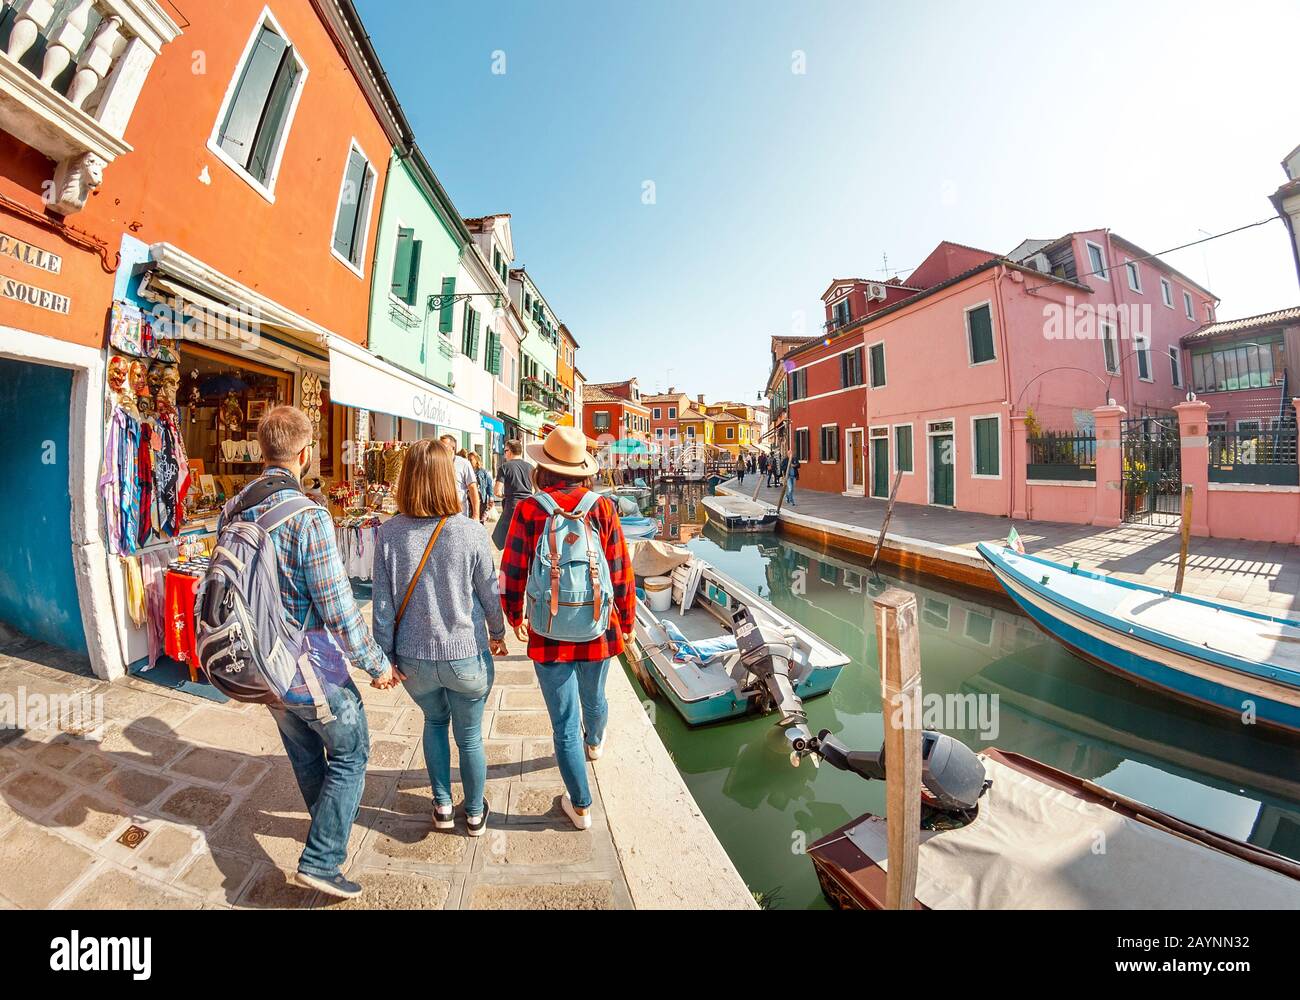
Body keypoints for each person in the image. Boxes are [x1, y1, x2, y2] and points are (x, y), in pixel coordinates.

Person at [221, 406, 396, 900]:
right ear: (305, 453)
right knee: (352, 749)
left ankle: (325, 827)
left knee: (302, 749)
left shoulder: (232, 510)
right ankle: (321, 859)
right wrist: (376, 665)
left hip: (258, 662)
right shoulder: (309, 517)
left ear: (261, 450)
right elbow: (339, 609)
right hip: (307, 663)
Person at [500, 426, 635, 831]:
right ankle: (595, 742)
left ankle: (580, 806)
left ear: (544, 467)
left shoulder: (530, 510)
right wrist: (626, 623)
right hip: (598, 626)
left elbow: (513, 569)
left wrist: (513, 616)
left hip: (548, 628)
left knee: (563, 724)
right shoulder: (603, 507)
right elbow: (620, 571)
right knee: (594, 697)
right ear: (583, 469)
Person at [372, 440, 507, 838]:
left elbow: (382, 605)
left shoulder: (389, 533)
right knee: (469, 736)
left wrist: (384, 657)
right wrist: (497, 634)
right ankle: (476, 812)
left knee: (434, 721)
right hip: (465, 655)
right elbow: (488, 593)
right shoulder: (470, 532)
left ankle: (443, 803)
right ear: (449, 478)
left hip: (413, 659)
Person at [493, 438, 533, 548]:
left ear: (509, 451)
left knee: (506, 539)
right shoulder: (531, 467)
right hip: (529, 506)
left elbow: (497, 491)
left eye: (505, 451)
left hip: (512, 506)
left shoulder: (504, 467)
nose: (504, 454)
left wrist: (506, 495)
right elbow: (536, 490)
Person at [439, 434, 479, 519]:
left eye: (443, 446)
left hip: (459, 513)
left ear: (452, 448)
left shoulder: (464, 463)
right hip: (439, 512)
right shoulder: (436, 463)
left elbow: (472, 488)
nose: (440, 449)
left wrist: (476, 515)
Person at [468, 451, 493, 524]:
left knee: (480, 519)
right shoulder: (467, 471)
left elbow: (489, 485)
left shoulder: (483, 472)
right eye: (468, 459)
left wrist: (491, 497)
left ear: (476, 460)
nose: (469, 461)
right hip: (470, 499)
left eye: (471, 459)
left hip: (482, 499)